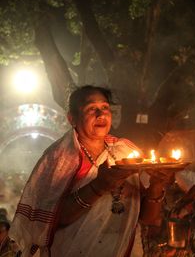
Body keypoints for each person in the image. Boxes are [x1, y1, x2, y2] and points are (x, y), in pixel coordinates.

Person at [10, 85, 179, 257]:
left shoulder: (125, 153)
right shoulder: (58, 158)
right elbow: (48, 221)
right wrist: (99, 186)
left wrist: (156, 185)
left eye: (105, 107)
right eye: (92, 109)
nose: (101, 114)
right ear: (72, 119)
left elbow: (147, 218)